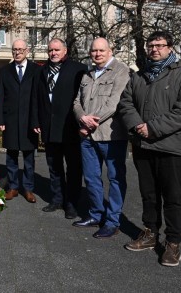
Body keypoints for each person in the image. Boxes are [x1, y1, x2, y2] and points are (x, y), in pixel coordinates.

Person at [117, 30, 181, 267]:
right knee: (149, 194)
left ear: (170, 48)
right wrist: (137, 126)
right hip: (144, 145)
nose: (155, 49)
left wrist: (152, 128)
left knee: (172, 197)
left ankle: (173, 243)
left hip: (171, 148)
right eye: (151, 45)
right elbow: (126, 103)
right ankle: (150, 233)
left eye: (160, 45)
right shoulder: (140, 76)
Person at [72, 38, 131, 238]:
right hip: (87, 136)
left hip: (111, 135)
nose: (97, 54)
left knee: (115, 178)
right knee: (90, 177)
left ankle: (112, 221)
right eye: (93, 51)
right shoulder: (88, 74)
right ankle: (96, 214)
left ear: (110, 50)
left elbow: (114, 104)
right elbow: (77, 101)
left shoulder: (121, 71)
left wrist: (89, 123)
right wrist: (82, 117)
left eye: (101, 50)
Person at [32, 38, 87, 219]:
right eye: (50, 50)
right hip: (49, 128)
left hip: (70, 127)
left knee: (73, 167)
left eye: (56, 50)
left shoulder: (78, 69)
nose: (53, 53)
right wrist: (36, 121)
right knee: (54, 166)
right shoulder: (42, 71)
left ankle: (71, 203)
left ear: (65, 51)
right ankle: (57, 199)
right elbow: (37, 99)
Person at [0, 39, 40, 203]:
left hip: (29, 121)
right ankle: (13, 188)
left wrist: (37, 122)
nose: (17, 52)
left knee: (29, 158)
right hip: (10, 120)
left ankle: (28, 189)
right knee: (11, 157)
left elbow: (38, 97)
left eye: (21, 49)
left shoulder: (36, 70)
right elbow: (0, 97)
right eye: (15, 49)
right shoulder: (5, 71)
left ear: (27, 51)